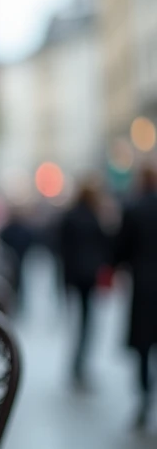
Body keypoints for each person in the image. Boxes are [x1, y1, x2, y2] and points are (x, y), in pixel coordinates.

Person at [57, 178, 111, 387]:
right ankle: (81, 364)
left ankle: (77, 364)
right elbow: (106, 247)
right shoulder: (95, 218)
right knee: (87, 322)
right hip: (89, 276)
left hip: (74, 275)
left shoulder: (70, 216)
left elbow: (61, 247)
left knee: (80, 321)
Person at [115, 165, 157, 429]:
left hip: (143, 285)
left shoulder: (135, 209)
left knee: (144, 346)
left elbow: (121, 248)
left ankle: (144, 396)